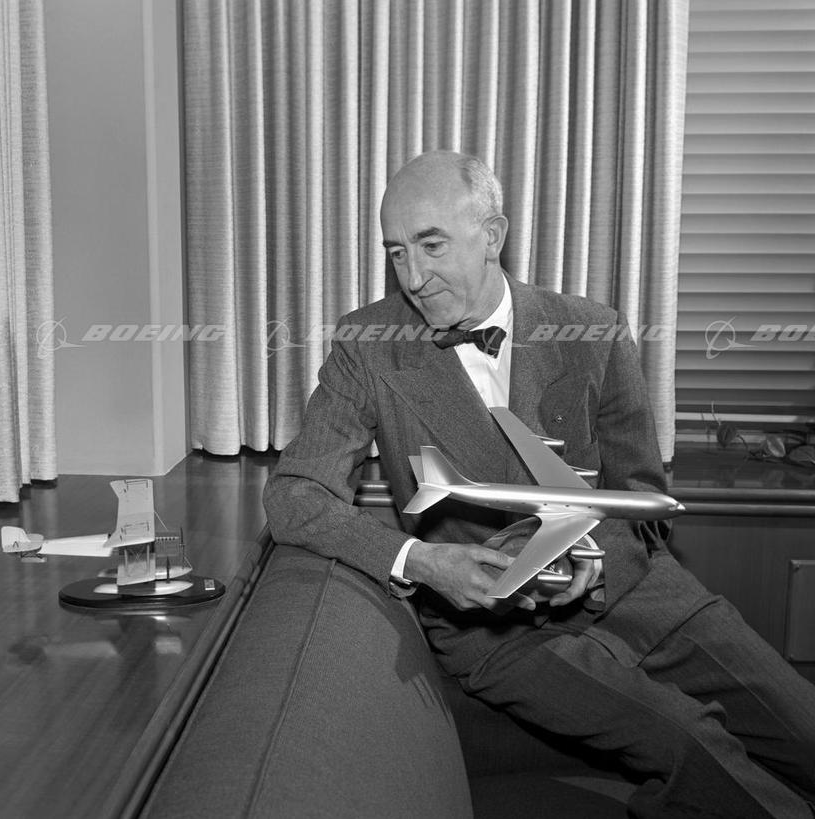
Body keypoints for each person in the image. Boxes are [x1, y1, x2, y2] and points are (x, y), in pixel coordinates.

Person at [263, 150, 815, 818]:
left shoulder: (593, 330)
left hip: (641, 592)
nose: (413, 276)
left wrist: (592, 556)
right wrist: (425, 561)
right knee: (695, 747)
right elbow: (296, 495)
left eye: (432, 246)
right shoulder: (367, 344)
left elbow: (642, 499)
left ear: (491, 235)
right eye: (397, 252)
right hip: (501, 634)